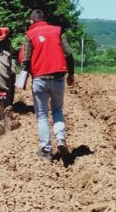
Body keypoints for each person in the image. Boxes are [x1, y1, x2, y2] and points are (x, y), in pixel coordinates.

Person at [19, 9, 75, 162]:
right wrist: (71, 74)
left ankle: (46, 151)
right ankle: (61, 139)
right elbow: (69, 53)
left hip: (40, 79)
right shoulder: (58, 31)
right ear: (44, 19)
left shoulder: (29, 35)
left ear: (32, 21)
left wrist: (22, 79)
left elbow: (25, 59)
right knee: (57, 109)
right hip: (58, 78)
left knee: (42, 115)